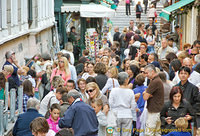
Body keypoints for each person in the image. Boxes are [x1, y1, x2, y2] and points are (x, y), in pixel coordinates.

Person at [109, 72, 137, 136]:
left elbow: (110, 103)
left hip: (116, 114)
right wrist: (133, 117)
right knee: (126, 133)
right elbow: (133, 105)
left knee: (115, 133)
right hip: (127, 114)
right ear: (126, 80)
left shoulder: (113, 90)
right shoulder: (130, 91)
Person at [143, 64, 164, 136]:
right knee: (157, 133)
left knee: (149, 133)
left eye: (146, 73)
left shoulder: (155, 82)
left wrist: (146, 93)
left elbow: (145, 97)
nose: (145, 75)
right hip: (157, 110)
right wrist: (147, 94)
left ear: (152, 71)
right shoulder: (157, 80)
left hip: (154, 111)